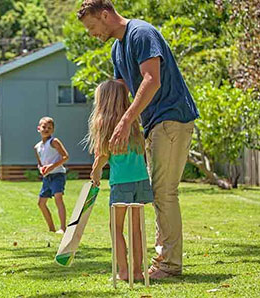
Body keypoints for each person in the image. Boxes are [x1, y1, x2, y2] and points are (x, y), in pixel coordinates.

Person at [77, 0, 199, 278]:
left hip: (171, 117)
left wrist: (126, 120)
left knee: (164, 192)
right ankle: (160, 260)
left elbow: (151, 80)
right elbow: (120, 92)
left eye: (92, 27)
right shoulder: (116, 49)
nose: (91, 34)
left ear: (105, 15)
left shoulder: (140, 34)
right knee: (159, 192)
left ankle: (169, 265)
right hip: (153, 123)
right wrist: (105, 125)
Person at [86, 80, 153, 281]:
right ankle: (138, 272)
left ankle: (123, 272)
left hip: (121, 183)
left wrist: (96, 171)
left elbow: (104, 155)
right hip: (141, 180)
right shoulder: (133, 121)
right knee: (136, 229)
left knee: (116, 228)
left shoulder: (104, 122)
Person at [34, 117, 69, 234]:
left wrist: (51, 167)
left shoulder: (54, 142)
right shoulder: (37, 147)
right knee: (41, 203)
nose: (46, 129)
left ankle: (63, 228)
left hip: (58, 175)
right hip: (47, 177)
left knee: (58, 198)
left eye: (49, 128)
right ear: (38, 128)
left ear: (53, 130)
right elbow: (40, 164)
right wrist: (41, 169)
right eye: (44, 127)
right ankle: (51, 228)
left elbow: (65, 157)